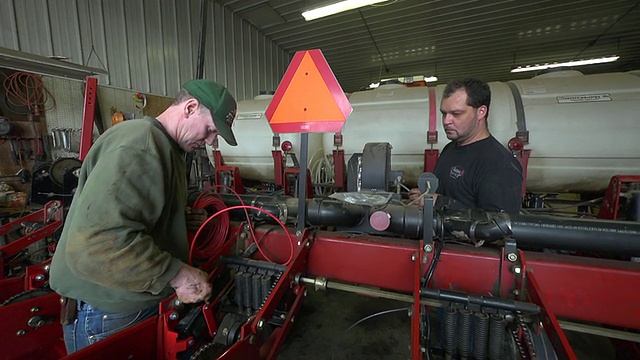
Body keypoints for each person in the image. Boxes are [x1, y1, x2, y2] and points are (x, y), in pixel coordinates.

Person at [49, 79, 238, 354]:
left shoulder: (159, 143)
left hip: (121, 301)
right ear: (190, 108)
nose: (210, 140)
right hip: (107, 311)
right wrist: (177, 275)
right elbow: (99, 242)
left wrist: (174, 220)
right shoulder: (141, 146)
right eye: (210, 129)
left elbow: (126, 216)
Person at [409, 78, 523, 213]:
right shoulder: (449, 149)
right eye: (444, 113)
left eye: (456, 114)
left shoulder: (499, 165)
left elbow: (499, 226)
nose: (446, 121)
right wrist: (425, 196)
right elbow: (447, 194)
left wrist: (441, 202)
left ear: (481, 112)